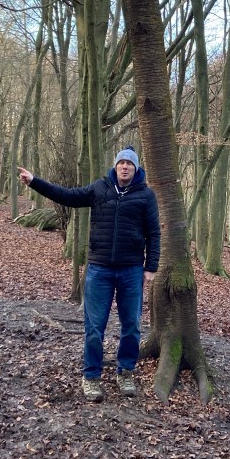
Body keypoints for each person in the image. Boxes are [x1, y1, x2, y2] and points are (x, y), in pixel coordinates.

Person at [18, 146, 159, 402]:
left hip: (131, 270)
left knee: (131, 326)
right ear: (115, 166)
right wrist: (35, 182)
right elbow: (67, 196)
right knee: (94, 327)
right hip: (99, 269)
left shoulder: (146, 195)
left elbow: (154, 233)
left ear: (136, 168)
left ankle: (125, 372)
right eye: (121, 162)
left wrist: (151, 266)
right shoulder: (99, 188)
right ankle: (91, 376)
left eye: (129, 163)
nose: (125, 167)